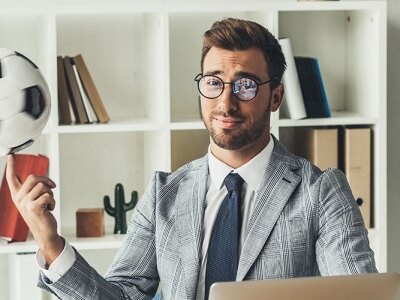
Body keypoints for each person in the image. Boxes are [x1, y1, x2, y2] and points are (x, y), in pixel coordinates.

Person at [6, 18, 377, 300]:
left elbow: (356, 294)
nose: (226, 103)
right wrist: (50, 241)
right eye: (214, 82)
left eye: (246, 85)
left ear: (276, 97)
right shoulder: (165, 193)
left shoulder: (321, 192)